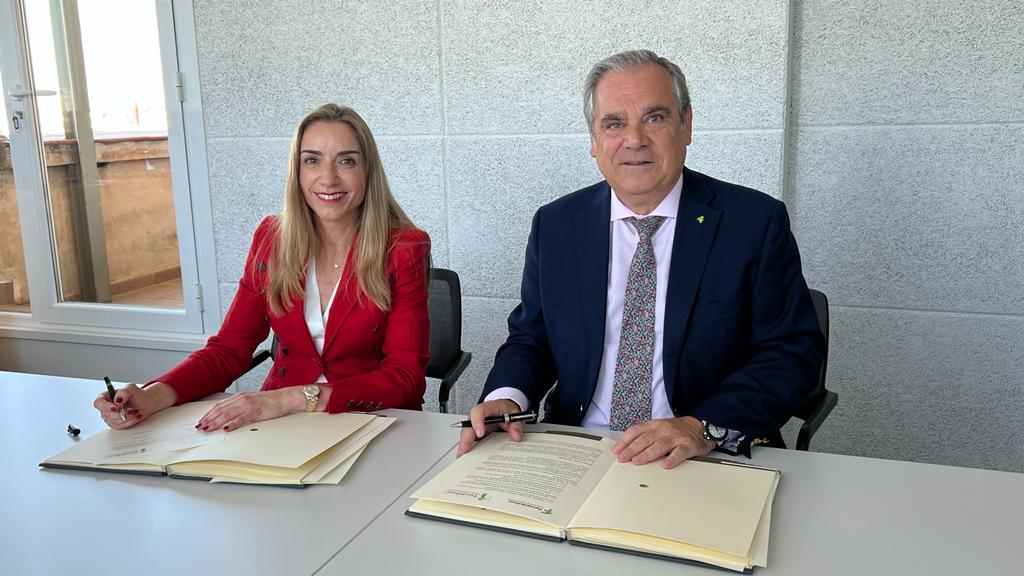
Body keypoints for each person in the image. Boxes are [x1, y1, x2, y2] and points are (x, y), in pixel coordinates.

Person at [458, 50, 823, 468]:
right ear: (594, 141)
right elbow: (532, 337)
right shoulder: (556, 226)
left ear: (686, 124)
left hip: (703, 453)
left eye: (654, 118)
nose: (634, 140)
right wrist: (508, 397)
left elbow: (792, 354)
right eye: (613, 124)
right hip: (577, 447)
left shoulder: (752, 223)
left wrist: (701, 426)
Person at [94, 104, 431, 432]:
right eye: (312, 160)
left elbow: (405, 378)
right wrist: (153, 396)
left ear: (368, 171)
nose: (328, 178)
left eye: (346, 161)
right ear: (297, 172)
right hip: (281, 427)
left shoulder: (404, 249)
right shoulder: (272, 239)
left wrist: (294, 398)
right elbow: (229, 350)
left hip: (372, 423)